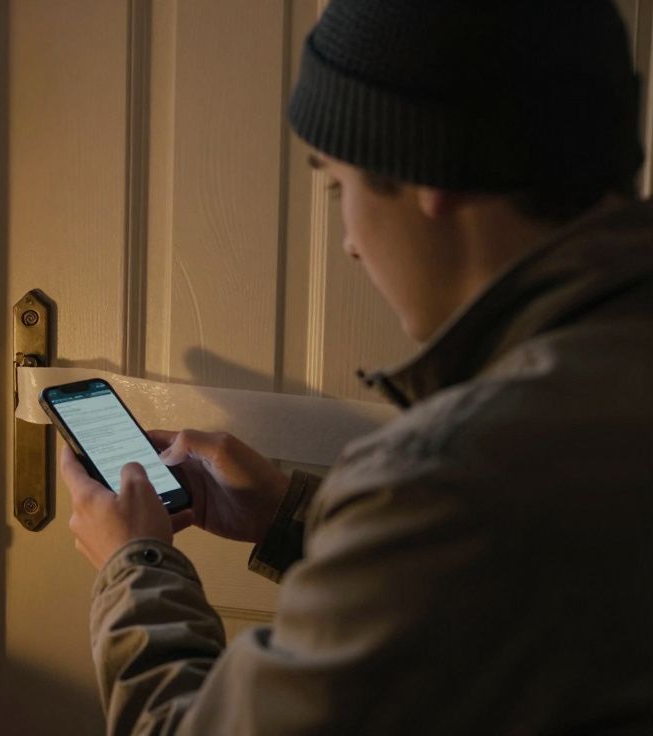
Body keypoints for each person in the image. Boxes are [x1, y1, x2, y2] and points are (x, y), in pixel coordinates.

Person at [60, 1, 653, 733]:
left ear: (426, 168)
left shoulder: (447, 478)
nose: (349, 242)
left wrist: (134, 563)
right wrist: (292, 517)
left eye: (339, 186)